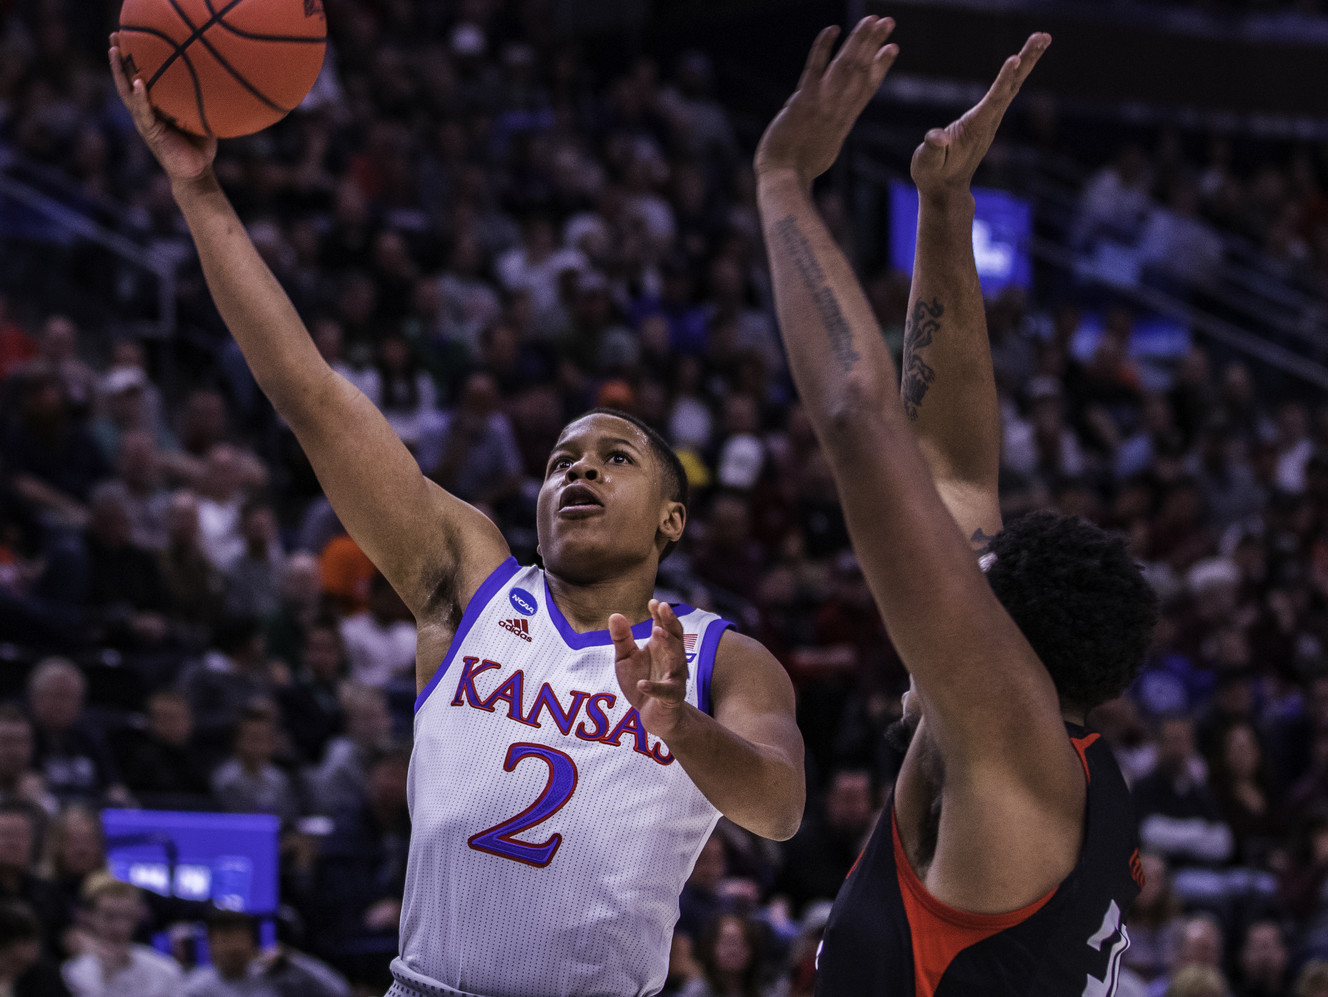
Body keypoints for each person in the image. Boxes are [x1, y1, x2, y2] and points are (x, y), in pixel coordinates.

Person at [109, 37, 804, 997]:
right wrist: (199, 192)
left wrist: (678, 722)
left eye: (614, 458)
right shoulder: (470, 579)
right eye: (562, 460)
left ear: (672, 520)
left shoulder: (723, 656)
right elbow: (311, 394)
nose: (579, 473)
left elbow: (780, 807)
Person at [755, 18, 1157, 995]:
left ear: (1006, 643)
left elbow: (860, 421)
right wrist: (944, 209)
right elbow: (951, 468)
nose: (950, 581)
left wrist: (782, 184)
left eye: (973, 589)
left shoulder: (1007, 742)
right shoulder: (1058, 761)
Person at [61, 874, 184, 997]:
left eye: (127, 917)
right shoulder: (74, 972)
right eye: (109, 916)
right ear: (90, 917)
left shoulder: (165, 970)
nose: (120, 927)